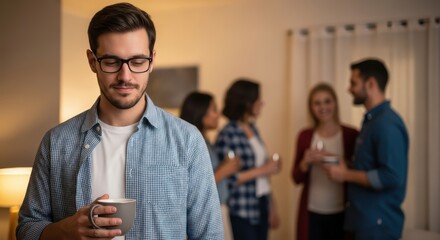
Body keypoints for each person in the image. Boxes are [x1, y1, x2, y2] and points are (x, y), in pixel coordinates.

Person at [17, 3, 223, 240]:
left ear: (152, 60)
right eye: (112, 62)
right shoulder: (57, 142)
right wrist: (65, 231)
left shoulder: (187, 140)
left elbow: (210, 235)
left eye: (137, 61)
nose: (125, 76)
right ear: (92, 61)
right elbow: (26, 228)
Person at [325, 58, 409, 240]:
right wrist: (343, 164)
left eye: (353, 83)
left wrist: (344, 175)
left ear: (371, 84)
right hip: (364, 220)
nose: (349, 89)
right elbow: (368, 166)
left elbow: (391, 176)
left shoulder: (386, 124)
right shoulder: (372, 121)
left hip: (377, 225)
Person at [215, 79, 281, 240]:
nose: (262, 103)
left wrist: (272, 206)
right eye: (258, 99)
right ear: (247, 102)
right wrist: (263, 170)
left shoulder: (253, 129)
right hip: (241, 209)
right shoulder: (227, 134)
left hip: (261, 203)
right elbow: (228, 179)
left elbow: (263, 175)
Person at [291, 83, 359, 240]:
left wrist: (340, 163)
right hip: (312, 211)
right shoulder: (305, 136)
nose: (323, 107)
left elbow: (358, 172)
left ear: (335, 103)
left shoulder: (351, 134)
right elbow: (295, 178)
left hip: (342, 212)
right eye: (317, 103)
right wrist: (305, 162)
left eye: (327, 101)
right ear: (311, 108)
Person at [180, 91, 241, 240]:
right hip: (208, 211)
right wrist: (224, 170)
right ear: (200, 112)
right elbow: (190, 186)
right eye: (214, 109)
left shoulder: (206, 141)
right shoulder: (191, 143)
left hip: (219, 207)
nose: (218, 113)